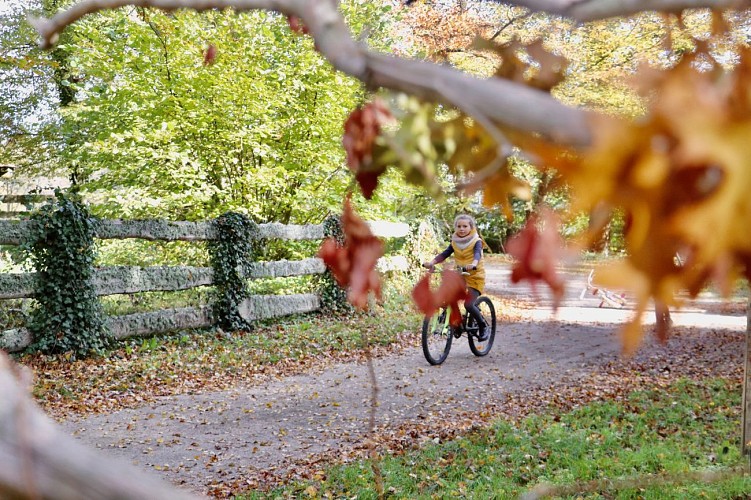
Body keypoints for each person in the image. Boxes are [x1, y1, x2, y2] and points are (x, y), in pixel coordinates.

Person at [422, 214, 489, 341]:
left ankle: (483, 326)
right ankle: (456, 322)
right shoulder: (455, 242)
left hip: (475, 276)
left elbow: (477, 254)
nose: (462, 229)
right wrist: (432, 262)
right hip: (461, 274)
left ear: (471, 227)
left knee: (469, 305)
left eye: (465, 226)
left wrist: (474, 264)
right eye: (459, 226)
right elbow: (445, 254)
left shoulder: (476, 241)